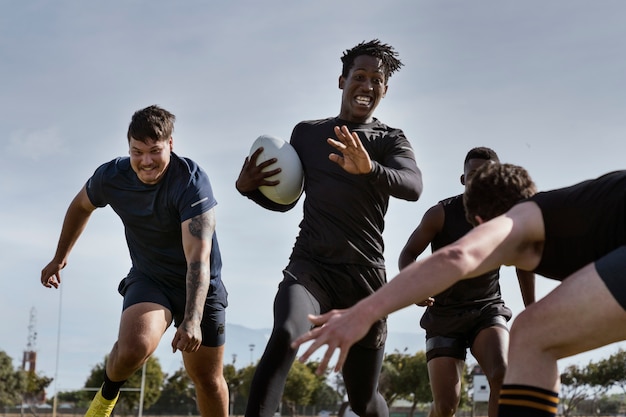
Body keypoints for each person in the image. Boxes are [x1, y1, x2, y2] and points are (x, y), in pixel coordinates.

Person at [293, 162, 626, 417]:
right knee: (533, 331)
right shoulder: (566, 214)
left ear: (481, 224)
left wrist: (362, 313)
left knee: (532, 332)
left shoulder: (523, 217)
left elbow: (457, 256)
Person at [235, 39, 423, 417]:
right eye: (359, 76)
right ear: (342, 80)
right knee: (287, 333)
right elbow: (286, 200)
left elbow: (413, 186)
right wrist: (249, 190)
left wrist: (368, 168)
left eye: (376, 79)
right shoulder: (306, 134)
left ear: (385, 88)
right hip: (311, 266)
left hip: (364, 279)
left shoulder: (390, 140)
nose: (367, 86)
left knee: (362, 399)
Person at [40, 105, 229, 417]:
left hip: (200, 285)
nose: (146, 161)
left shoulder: (191, 182)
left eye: (154, 151)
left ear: (171, 144)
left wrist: (192, 319)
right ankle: (103, 404)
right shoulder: (112, 177)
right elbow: (80, 206)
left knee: (207, 379)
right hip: (150, 278)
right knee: (133, 348)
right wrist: (60, 258)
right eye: (136, 151)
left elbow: (198, 259)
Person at [397, 147, 535, 417]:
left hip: (487, 310)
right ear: (463, 179)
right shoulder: (440, 213)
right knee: (446, 405)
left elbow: (524, 264)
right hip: (444, 315)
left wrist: (532, 310)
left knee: (503, 375)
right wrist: (414, 288)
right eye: (473, 175)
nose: (479, 181)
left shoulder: (508, 218)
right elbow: (408, 253)